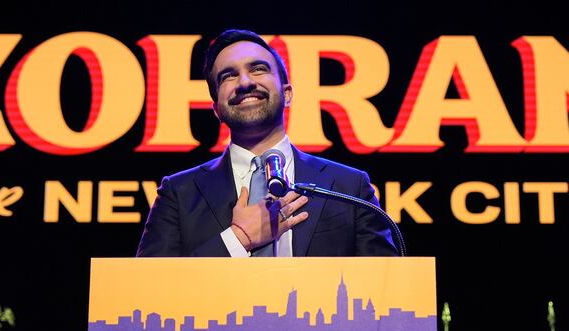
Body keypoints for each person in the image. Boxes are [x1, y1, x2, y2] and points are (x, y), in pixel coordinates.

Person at [136, 29, 397, 257]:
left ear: (287, 94)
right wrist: (238, 239)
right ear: (216, 109)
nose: (245, 82)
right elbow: (148, 289)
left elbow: (385, 290)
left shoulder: (349, 187)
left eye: (258, 69)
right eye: (228, 76)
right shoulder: (178, 194)